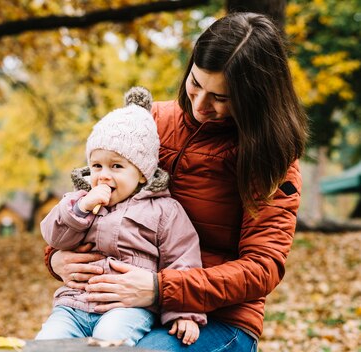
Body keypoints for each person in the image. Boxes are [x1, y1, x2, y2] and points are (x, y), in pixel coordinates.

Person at [44, 12, 309, 351]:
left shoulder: (272, 159)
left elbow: (262, 268)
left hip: (217, 318)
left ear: (253, 98)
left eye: (221, 98)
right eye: (196, 83)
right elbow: (91, 194)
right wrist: (56, 258)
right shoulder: (148, 122)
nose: (200, 104)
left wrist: (160, 288)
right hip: (121, 305)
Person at [36, 87, 206, 346]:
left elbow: (182, 260)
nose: (103, 175)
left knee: (110, 341)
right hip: (74, 305)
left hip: (126, 308)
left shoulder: (163, 210)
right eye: (97, 166)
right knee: (47, 343)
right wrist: (81, 208)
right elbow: (53, 236)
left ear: (142, 173)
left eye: (116, 166)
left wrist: (184, 313)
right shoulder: (77, 202)